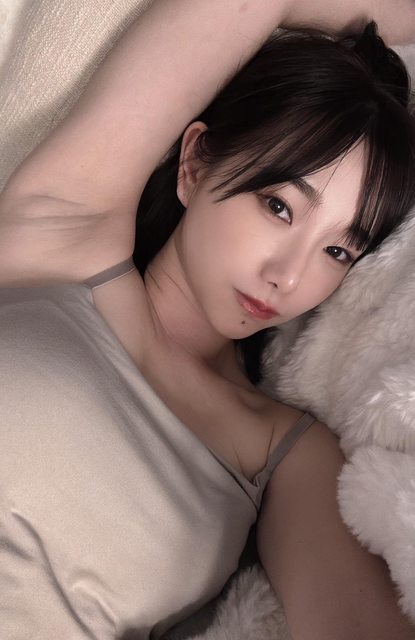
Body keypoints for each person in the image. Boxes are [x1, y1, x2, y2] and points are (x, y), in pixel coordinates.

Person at [0, 1, 415, 639]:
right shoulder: (63, 238)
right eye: (278, 206)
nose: (289, 277)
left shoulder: (285, 454)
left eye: (338, 251)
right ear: (195, 164)